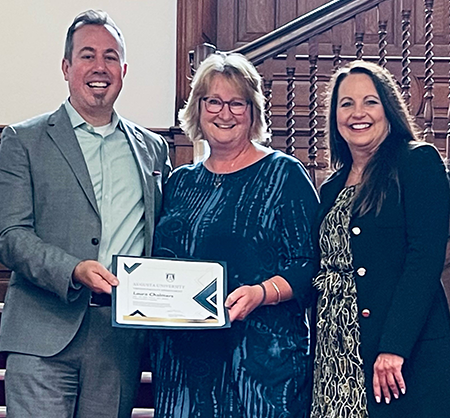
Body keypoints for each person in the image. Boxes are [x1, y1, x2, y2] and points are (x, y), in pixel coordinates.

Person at [0, 10, 171, 418]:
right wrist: (74, 269)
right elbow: (10, 236)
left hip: (118, 340)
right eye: (87, 55)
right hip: (42, 335)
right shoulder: (22, 141)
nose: (100, 67)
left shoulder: (153, 150)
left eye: (111, 57)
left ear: (124, 69)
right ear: (66, 67)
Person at [150, 52, 319, 417]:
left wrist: (261, 293)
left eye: (236, 103)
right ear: (198, 108)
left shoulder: (283, 175)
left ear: (252, 111)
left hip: (261, 367)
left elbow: (308, 264)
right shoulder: (180, 183)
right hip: (184, 365)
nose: (224, 113)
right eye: (213, 101)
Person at [311, 60, 450, 418]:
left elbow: (424, 259)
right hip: (335, 352)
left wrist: (394, 347)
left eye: (370, 102)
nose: (358, 113)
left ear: (388, 109)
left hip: (399, 354)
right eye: (346, 104)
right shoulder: (330, 188)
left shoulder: (416, 162)